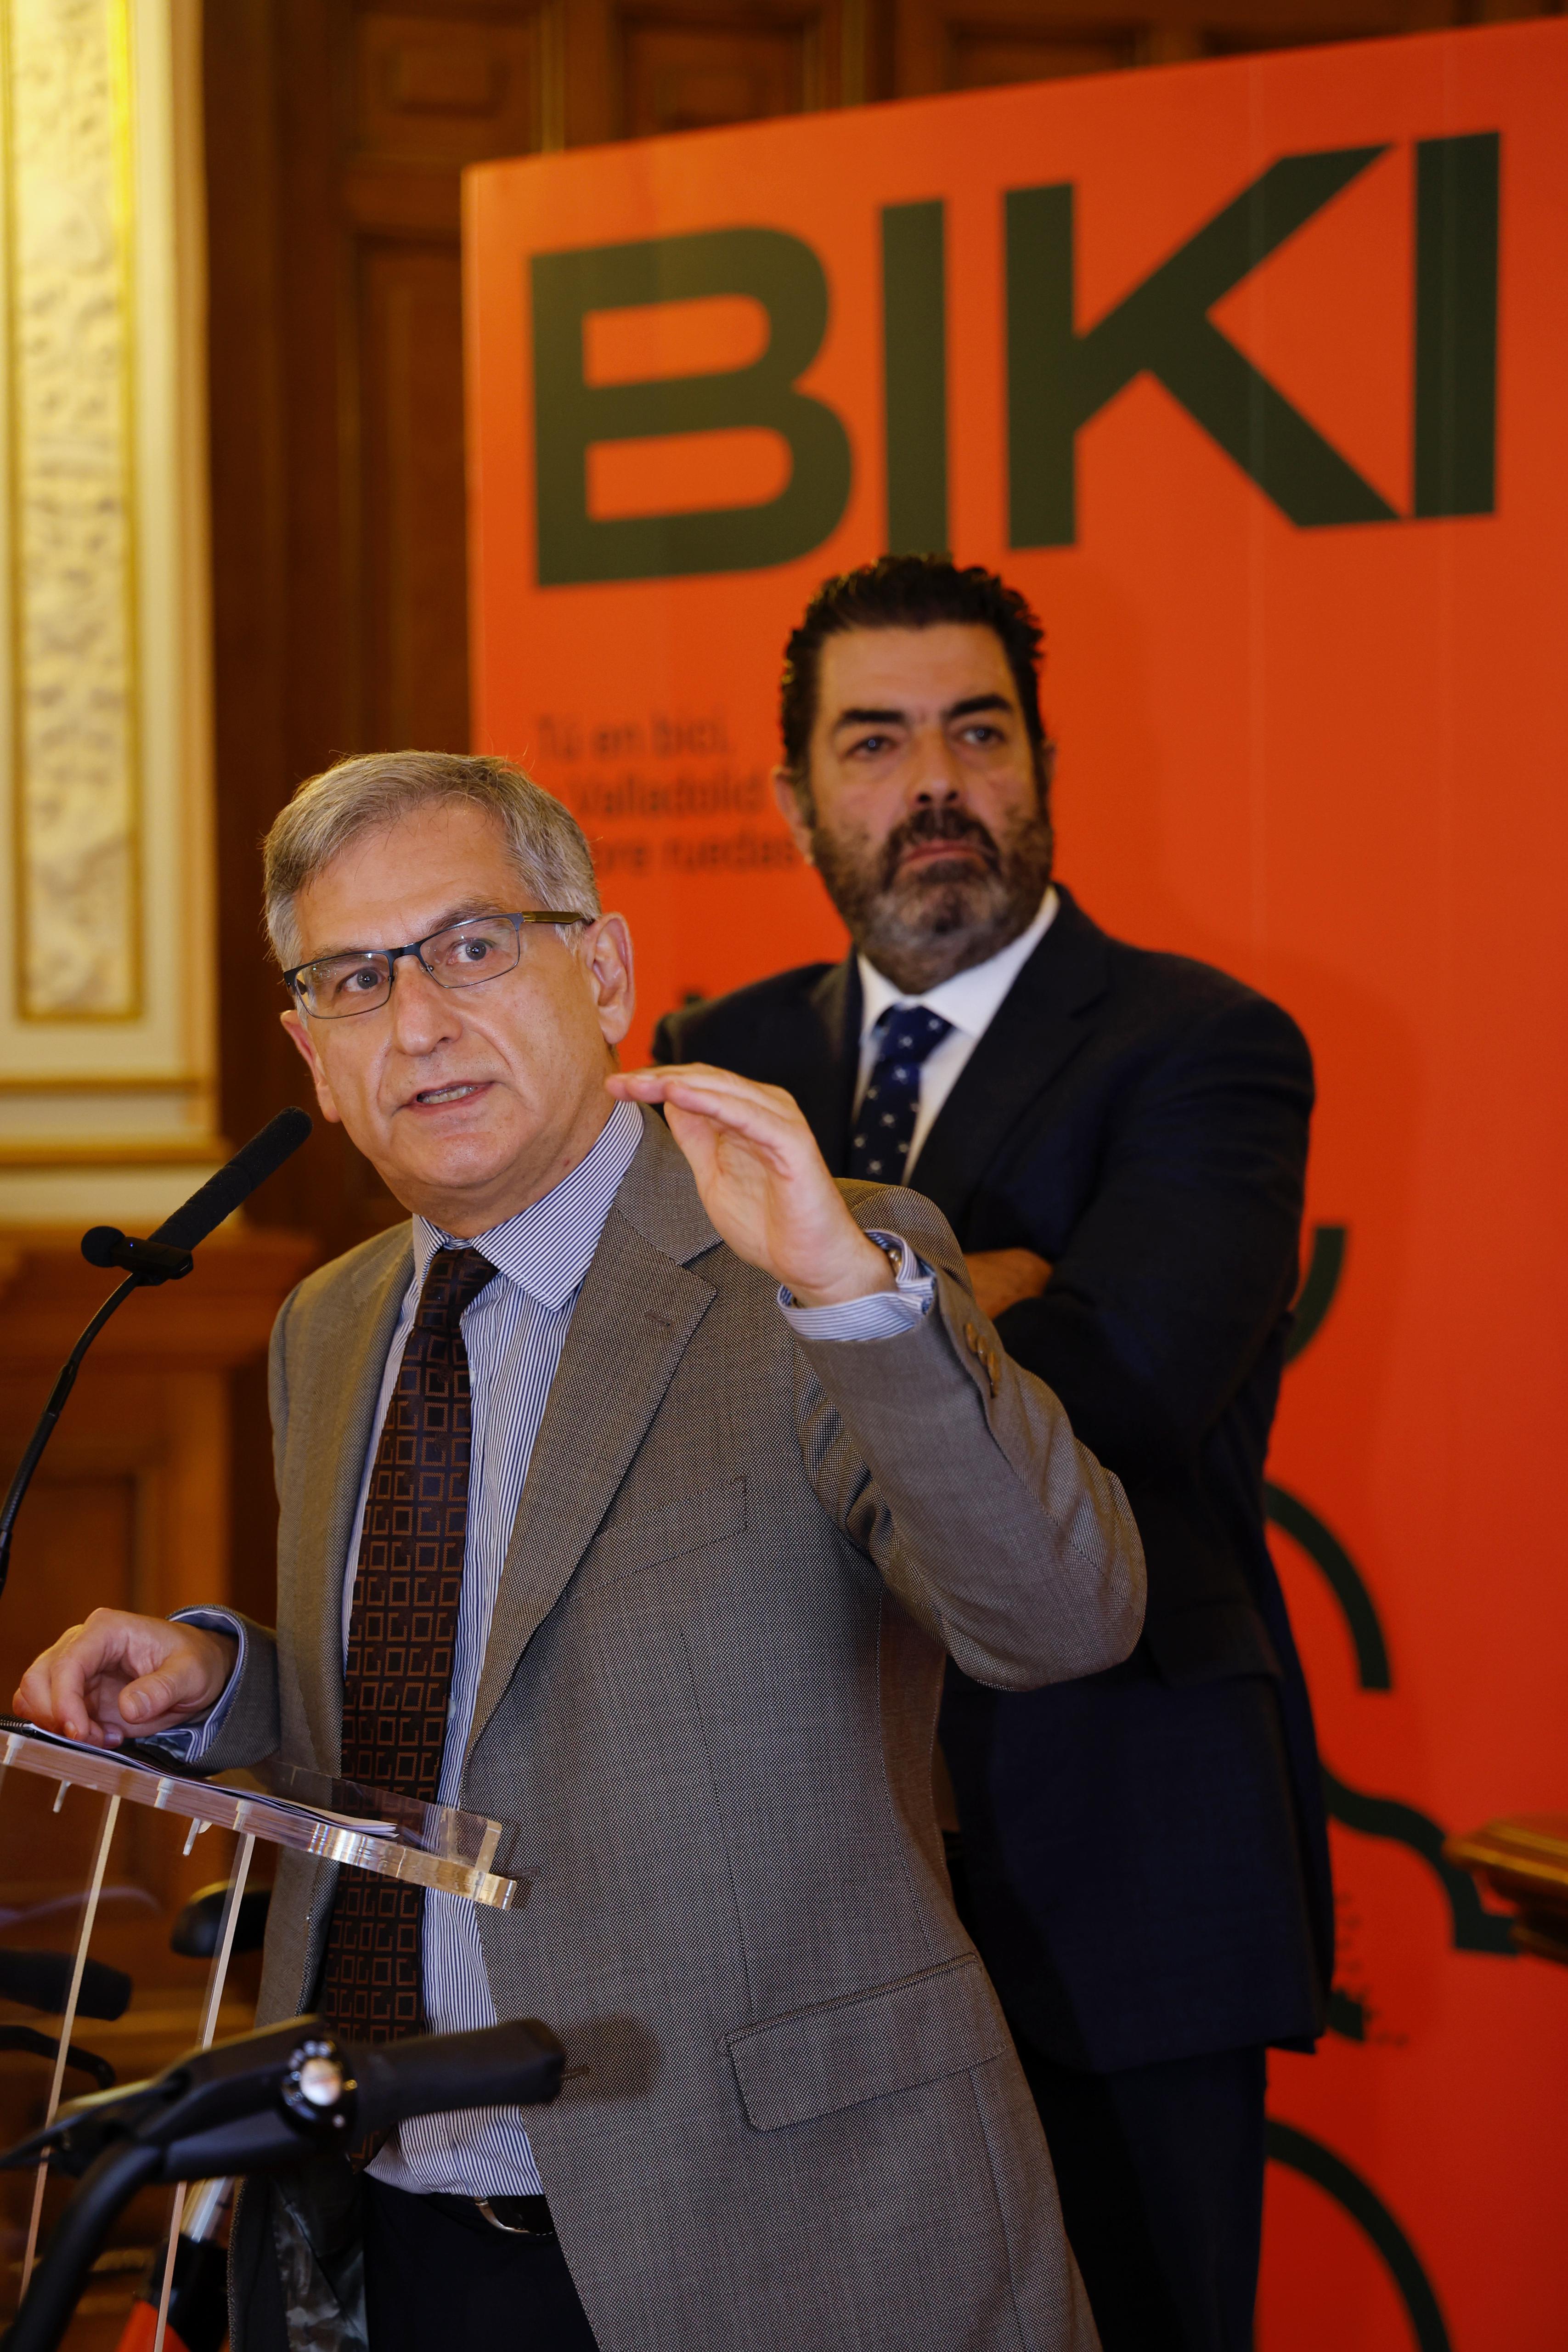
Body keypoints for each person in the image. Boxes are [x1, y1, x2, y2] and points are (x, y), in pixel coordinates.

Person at [16, 750, 1145, 2352]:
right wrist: (224, 1682)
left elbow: (1062, 1618)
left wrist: (849, 1300)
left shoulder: (814, 1258)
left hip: (775, 2226)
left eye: (472, 947)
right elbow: (447, 1707)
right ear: (313, 1056)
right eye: (356, 980)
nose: (418, 1023)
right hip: (390, 2224)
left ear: (603, 971)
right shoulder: (328, 1323)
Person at [654, 557, 1334, 2352]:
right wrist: (978, 1284)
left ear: (1039, 763)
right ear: (796, 796)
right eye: (874, 743)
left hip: (1119, 1851)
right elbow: (671, 1407)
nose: (936, 785)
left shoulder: (1206, 1046)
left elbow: (1121, 1385)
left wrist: (852, 1296)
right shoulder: (715, 1061)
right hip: (803, 1873)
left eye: (979, 732)